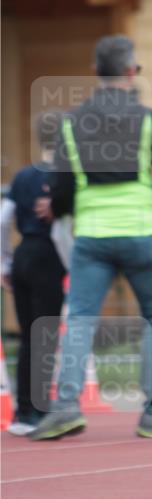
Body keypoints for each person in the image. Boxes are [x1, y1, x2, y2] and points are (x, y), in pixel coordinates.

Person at [30, 35, 152, 441]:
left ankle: (63, 407)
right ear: (132, 71)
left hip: (91, 237)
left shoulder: (71, 122)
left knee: (79, 319)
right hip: (141, 234)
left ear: (96, 71)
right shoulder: (148, 118)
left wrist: (57, 209)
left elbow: (61, 186)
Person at [1, 113, 67, 435]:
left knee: (29, 336)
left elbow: (3, 219)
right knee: (46, 334)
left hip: (23, 252)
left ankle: (24, 411)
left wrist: (4, 263)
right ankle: (40, 412)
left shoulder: (24, 175)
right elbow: (65, 228)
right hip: (47, 256)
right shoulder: (64, 177)